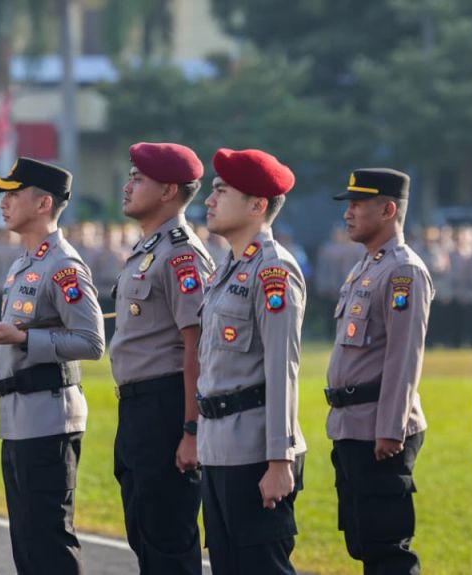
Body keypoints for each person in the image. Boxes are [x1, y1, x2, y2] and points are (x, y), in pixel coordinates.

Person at [0, 157, 105, 575]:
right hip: (19, 417)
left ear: (43, 203)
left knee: (49, 544)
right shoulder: (23, 265)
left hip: (49, 419)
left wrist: (24, 338)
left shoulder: (63, 265)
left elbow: (91, 341)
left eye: (13, 194)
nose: (3, 203)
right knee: (27, 545)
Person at [197, 148, 306, 574]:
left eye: (221, 190)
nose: (209, 199)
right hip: (219, 447)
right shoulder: (226, 268)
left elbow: (284, 369)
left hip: (256, 450)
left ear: (257, 205)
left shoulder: (273, 270)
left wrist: (279, 461)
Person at [109, 142, 213, 574]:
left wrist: (191, 430)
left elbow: (198, 347)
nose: (128, 185)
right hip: (137, 407)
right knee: (144, 532)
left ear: (169, 191)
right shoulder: (148, 249)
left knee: (168, 539)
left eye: (139, 178)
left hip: (167, 407)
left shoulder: (182, 254)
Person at [326, 168, 433, 574]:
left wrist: (390, 428)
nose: (347, 213)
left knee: (388, 549)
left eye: (357, 204)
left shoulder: (403, 271)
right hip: (352, 425)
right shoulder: (367, 267)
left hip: (378, 428)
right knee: (364, 542)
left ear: (388, 209)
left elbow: (405, 357)